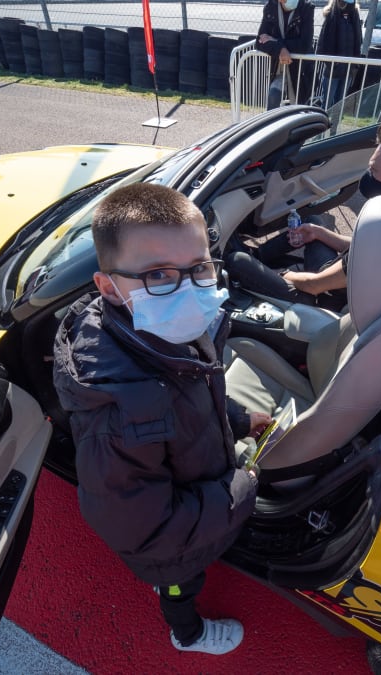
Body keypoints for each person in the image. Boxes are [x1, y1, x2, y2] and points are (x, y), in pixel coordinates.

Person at [52, 183, 270, 655]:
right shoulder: (120, 411)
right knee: (180, 585)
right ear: (108, 287)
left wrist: (235, 419)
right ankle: (186, 633)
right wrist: (239, 489)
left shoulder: (166, 330)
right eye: (157, 275)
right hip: (170, 553)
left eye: (199, 268)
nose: (188, 288)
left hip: (194, 484)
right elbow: (140, 528)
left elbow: (197, 393)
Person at [225, 122, 381, 309]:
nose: (367, 174)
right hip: (338, 280)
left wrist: (282, 275)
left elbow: (314, 284)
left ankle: (250, 259)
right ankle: (258, 256)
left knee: (237, 261)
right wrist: (320, 234)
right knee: (313, 223)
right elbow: (359, 248)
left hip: (323, 301)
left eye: (373, 170)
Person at [256, 0, 316, 109]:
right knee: (273, 96)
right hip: (278, 68)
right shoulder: (271, 7)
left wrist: (275, 41)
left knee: (299, 109)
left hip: (300, 70)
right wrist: (280, 49)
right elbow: (259, 42)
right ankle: (272, 125)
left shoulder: (306, 8)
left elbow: (305, 44)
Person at [315, 0, 362, 112]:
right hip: (332, 71)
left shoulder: (354, 17)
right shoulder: (331, 16)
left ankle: (334, 129)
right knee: (327, 104)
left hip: (348, 70)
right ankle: (322, 128)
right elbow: (322, 46)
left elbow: (358, 42)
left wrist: (354, 65)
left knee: (339, 105)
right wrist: (332, 64)